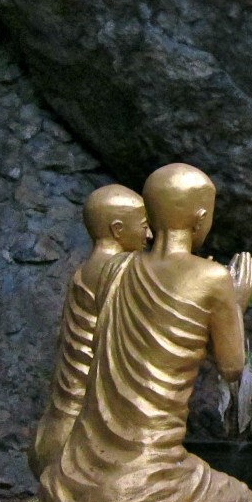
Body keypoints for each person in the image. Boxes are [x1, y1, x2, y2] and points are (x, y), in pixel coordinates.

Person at [37, 164, 252, 502]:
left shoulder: (112, 270)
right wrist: (235, 306)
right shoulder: (212, 279)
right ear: (201, 218)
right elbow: (232, 368)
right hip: (152, 470)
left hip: (75, 479)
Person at [28, 185, 151, 480]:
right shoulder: (120, 270)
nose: (149, 236)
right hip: (86, 439)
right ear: (117, 229)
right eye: (145, 227)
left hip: (53, 432)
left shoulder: (84, 270)